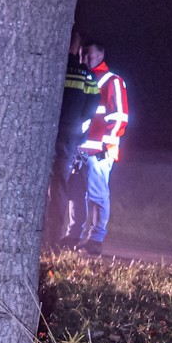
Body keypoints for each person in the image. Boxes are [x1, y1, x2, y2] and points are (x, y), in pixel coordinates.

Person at [66, 41, 129, 254]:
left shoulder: (113, 81)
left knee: (97, 195)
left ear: (101, 55)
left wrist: (106, 144)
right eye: (82, 54)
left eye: (89, 54)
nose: (84, 58)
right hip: (79, 149)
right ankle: (73, 235)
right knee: (76, 195)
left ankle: (96, 239)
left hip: (100, 151)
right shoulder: (83, 78)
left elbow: (119, 117)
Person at [50, 31, 98, 243]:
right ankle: (52, 238)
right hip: (70, 136)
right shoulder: (86, 74)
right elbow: (92, 106)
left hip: (49, 133)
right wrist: (80, 131)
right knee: (59, 184)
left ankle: (43, 235)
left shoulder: (53, 66)